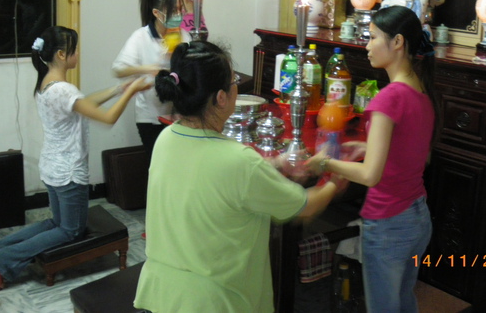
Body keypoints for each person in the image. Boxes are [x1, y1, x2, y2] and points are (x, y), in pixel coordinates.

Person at [133, 41, 345, 312]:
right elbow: (306, 206)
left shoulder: (166, 138)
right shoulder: (240, 161)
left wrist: (276, 164)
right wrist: (335, 179)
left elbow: (212, 176)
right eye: (233, 81)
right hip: (215, 302)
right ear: (221, 97)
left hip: (162, 294)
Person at [0, 26, 150, 290]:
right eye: (75, 49)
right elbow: (108, 118)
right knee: (70, 230)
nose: (78, 54)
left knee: (56, 223)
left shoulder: (47, 84)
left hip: (53, 168)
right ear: (62, 54)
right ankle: (4, 260)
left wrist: (119, 89)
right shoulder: (63, 90)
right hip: (69, 172)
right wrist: (132, 91)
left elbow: (83, 103)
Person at [305, 6, 437, 312]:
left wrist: (325, 163)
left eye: (373, 37)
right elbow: (416, 152)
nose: (366, 45)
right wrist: (364, 147)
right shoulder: (420, 90)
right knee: (403, 302)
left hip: (390, 222)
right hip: (417, 217)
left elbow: (369, 176)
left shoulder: (388, 98)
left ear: (398, 42)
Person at [112, 0, 184, 157]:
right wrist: (148, 68)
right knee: (159, 161)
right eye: (173, 10)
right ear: (157, 13)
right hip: (151, 118)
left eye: (180, 9)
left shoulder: (183, 35)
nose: (178, 14)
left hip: (179, 115)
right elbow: (118, 69)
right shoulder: (141, 37)